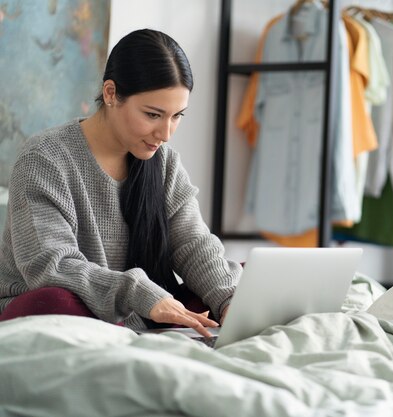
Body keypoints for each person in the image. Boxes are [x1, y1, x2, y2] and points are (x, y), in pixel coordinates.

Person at [0, 29, 241, 338]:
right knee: (54, 299)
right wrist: (139, 293)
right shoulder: (45, 159)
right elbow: (53, 267)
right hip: (59, 310)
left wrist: (228, 299)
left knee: (243, 282)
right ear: (111, 93)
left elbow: (193, 244)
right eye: (153, 115)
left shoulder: (164, 162)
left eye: (177, 116)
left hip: (140, 313)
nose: (166, 133)